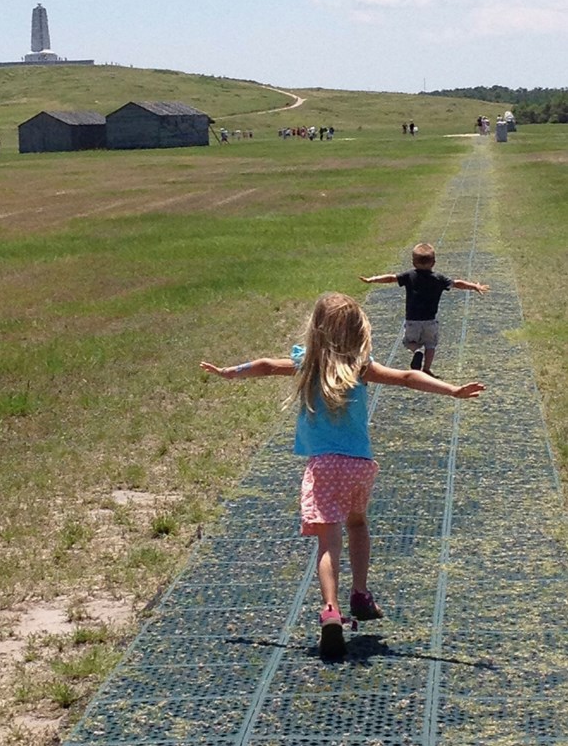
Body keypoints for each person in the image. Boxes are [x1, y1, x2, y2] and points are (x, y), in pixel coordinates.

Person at [200, 292, 485, 659]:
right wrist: (451, 390)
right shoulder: (361, 367)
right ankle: (361, 594)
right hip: (360, 466)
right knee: (359, 525)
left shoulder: (307, 363)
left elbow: (266, 365)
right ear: (357, 331)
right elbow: (408, 377)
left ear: (316, 330)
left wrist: (230, 372)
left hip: (324, 467)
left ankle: (331, 609)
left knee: (328, 543)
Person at [360, 242, 489, 376]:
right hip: (430, 320)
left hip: (412, 320)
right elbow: (457, 283)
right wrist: (474, 286)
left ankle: (416, 351)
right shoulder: (439, 278)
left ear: (413, 262)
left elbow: (391, 278)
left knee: (409, 342)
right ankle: (427, 369)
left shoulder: (409, 275)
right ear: (433, 262)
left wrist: (372, 279)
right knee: (431, 344)